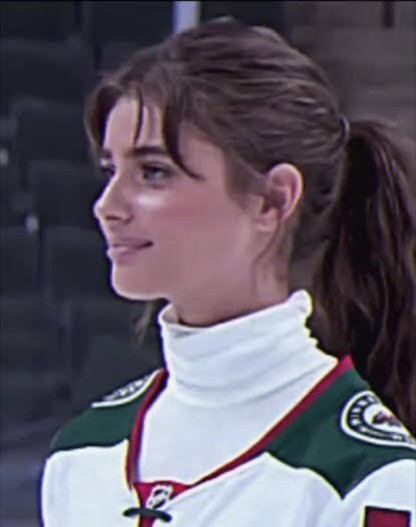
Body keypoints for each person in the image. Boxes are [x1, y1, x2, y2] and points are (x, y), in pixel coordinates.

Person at [41, 17, 416, 527]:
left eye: (153, 172)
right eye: (111, 171)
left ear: (273, 199)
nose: (107, 205)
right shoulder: (83, 453)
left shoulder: (368, 477)